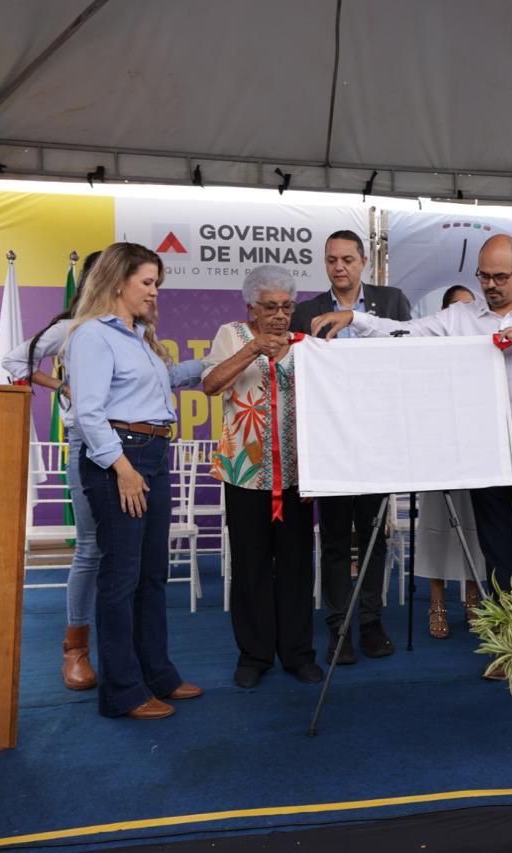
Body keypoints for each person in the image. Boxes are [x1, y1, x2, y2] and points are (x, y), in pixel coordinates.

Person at [311, 234, 512, 618]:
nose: (490, 285)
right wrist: (355, 318)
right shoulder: (460, 317)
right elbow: (404, 332)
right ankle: (508, 632)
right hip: (485, 440)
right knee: (495, 543)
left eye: (499, 277)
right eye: (483, 276)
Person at [63, 242, 205, 720]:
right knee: (121, 577)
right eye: (147, 282)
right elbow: (88, 413)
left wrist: (216, 360)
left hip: (153, 453)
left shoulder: (138, 337)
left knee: (152, 574)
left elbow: (160, 385)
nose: (154, 291)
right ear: (117, 281)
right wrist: (122, 468)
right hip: (121, 459)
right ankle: (122, 691)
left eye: (156, 283)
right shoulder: (92, 335)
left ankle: (157, 674)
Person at [291, 229, 412, 664]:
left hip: (378, 440)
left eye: (347, 259)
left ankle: (371, 623)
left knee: (375, 536)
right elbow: (298, 380)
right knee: (336, 539)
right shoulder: (307, 311)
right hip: (330, 443)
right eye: (331, 260)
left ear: (363, 262)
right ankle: (338, 627)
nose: (339, 266)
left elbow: (407, 358)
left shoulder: (391, 302)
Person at [202, 265, 322, 689]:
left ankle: (297, 653)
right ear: (250, 307)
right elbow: (211, 384)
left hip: (296, 476)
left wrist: (316, 471)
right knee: (250, 566)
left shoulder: (304, 345)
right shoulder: (231, 335)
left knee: (296, 567)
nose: (280, 315)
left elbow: (320, 408)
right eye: (270, 307)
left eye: (287, 306)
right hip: (244, 474)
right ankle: (254, 655)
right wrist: (253, 349)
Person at [2, 250, 102, 691]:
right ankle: (75, 649)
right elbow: (14, 362)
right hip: (87, 443)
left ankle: (129, 649)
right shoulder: (70, 328)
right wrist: (62, 385)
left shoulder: (136, 331)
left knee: (128, 554)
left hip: (133, 446)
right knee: (91, 547)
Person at [415, 284, 488, 639]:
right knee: (436, 528)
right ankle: (437, 604)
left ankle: (473, 599)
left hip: (477, 454)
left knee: (476, 527)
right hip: (438, 455)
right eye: (458, 308)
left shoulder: (484, 355)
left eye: (471, 307)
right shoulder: (428, 356)